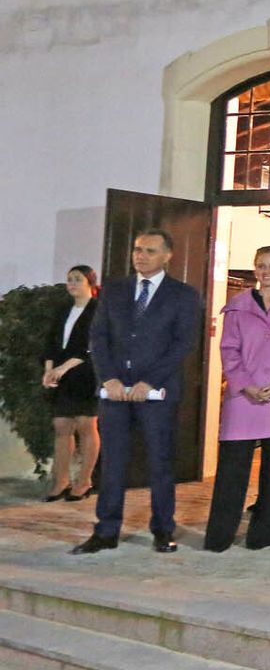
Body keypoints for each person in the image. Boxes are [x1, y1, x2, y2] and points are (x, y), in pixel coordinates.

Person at [73, 229, 202, 555]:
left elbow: (182, 344)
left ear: (167, 255)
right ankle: (106, 531)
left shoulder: (183, 295)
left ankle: (163, 530)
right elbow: (98, 338)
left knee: (160, 462)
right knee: (113, 462)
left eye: (149, 250)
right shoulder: (114, 291)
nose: (140, 255)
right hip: (115, 394)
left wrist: (151, 382)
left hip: (156, 394)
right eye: (137, 249)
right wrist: (109, 379)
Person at [203, 245, 270, 552]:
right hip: (243, 398)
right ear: (254, 269)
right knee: (232, 471)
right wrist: (244, 384)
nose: (267, 271)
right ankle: (220, 536)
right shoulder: (237, 306)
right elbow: (228, 350)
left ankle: (264, 534)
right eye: (261, 266)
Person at [41, 264, 100, 501]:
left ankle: (84, 481)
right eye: (69, 279)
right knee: (62, 426)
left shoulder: (98, 309)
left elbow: (90, 346)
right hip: (61, 375)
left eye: (77, 279)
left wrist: (62, 368)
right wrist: (48, 371)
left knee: (86, 425)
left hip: (86, 374)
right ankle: (61, 481)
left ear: (90, 283)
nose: (72, 284)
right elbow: (51, 342)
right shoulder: (64, 309)